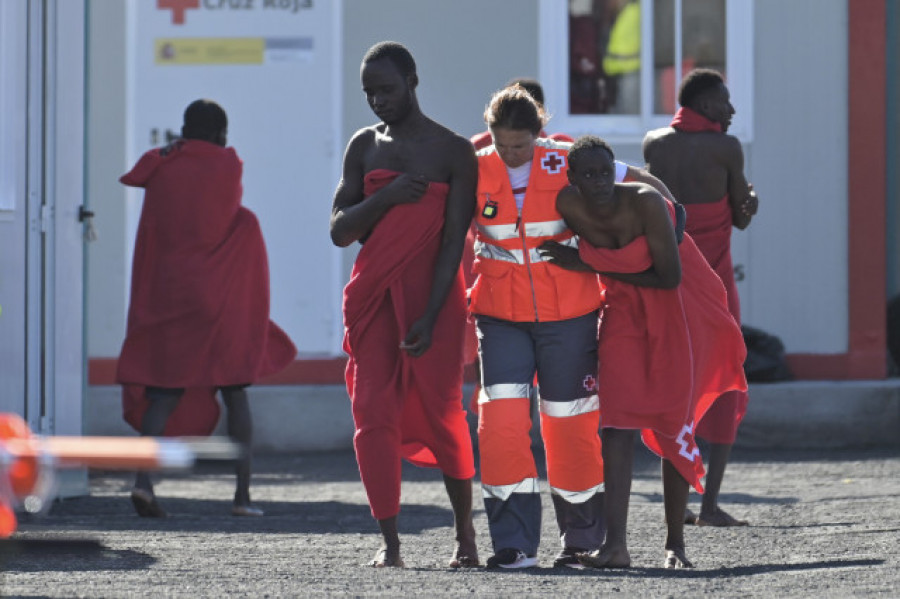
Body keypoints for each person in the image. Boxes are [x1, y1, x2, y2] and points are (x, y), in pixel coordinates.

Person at [541, 135, 747, 568]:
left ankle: (676, 543)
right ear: (572, 178)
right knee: (615, 424)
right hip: (622, 311)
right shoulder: (568, 206)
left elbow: (668, 278)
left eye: (605, 172)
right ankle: (616, 546)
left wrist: (588, 263)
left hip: (681, 307)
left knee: (675, 421)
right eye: (588, 175)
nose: (598, 182)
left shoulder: (646, 201)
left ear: (614, 170)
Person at [330, 41, 478, 569]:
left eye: (386, 90)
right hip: (373, 298)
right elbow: (340, 231)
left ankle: (465, 533)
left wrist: (433, 311)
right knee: (371, 414)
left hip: (433, 300)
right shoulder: (363, 146)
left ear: (412, 81)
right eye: (369, 92)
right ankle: (389, 542)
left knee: (443, 413)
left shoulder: (453, 151)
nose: (377, 101)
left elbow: (454, 240)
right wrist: (386, 198)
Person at [117, 99, 297, 518]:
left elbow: (134, 175)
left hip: (171, 296)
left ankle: (143, 482)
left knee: (163, 390)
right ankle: (242, 498)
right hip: (220, 300)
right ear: (220, 135)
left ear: (183, 131)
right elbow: (224, 210)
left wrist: (170, 151)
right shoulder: (227, 164)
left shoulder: (161, 164)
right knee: (235, 390)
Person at [469, 86, 611, 570]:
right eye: (500, 143)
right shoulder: (472, 165)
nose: (509, 154)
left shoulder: (569, 160)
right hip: (500, 316)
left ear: (539, 133)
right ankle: (513, 545)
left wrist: (670, 208)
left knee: (571, 425)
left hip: (569, 316)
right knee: (502, 426)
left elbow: (628, 184)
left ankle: (583, 541)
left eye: (519, 145)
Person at [643, 68, 759, 527]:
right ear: (704, 105)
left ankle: (680, 499)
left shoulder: (655, 143)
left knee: (677, 383)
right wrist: (750, 201)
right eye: (723, 103)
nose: (730, 111)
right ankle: (709, 505)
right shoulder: (726, 148)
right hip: (716, 282)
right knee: (727, 376)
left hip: (672, 281)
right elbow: (741, 218)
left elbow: (652, 206)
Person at [470, 78, 574, 151]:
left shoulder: (561, 147)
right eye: (501, 146)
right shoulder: (479, 147)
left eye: (518, 146)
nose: (509, 155)